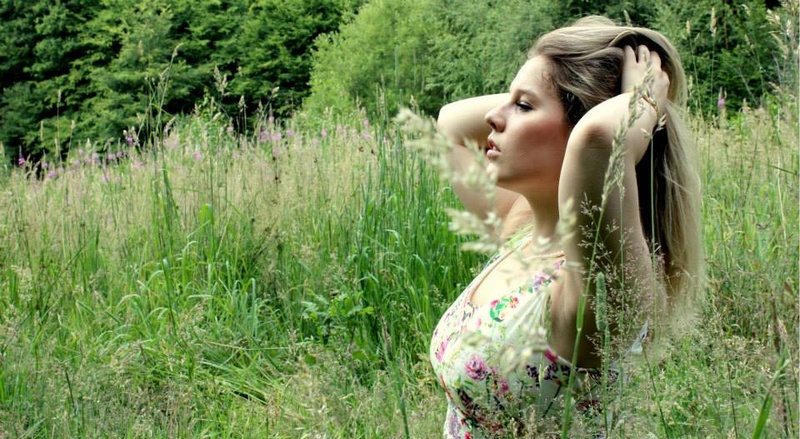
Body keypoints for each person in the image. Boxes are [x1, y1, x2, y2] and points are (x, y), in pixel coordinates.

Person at [428, 16, 703, 438]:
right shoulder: (523, 227)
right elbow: (450, 124)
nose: (491, 117)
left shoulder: (589, 291)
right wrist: (544, 81)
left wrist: (643, 100)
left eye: (522, 107)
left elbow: (597, 139)